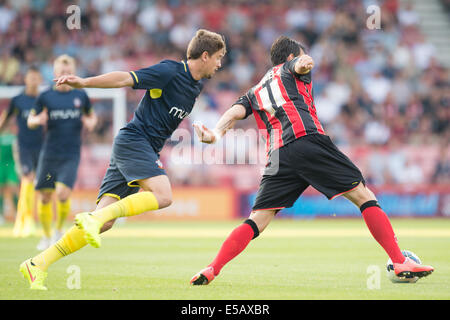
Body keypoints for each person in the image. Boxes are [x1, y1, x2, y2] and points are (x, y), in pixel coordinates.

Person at [190, 36, 434, 285]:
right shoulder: (289, 68)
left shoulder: (255, 91)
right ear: (290, 57)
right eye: (299, 55)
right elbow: (298, 65)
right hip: (307, 140)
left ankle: (212, 268)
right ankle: (398, 259)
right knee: (364, 196)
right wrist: (304, 62)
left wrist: (215, 133)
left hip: (278, 156)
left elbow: (234, 112)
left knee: (257, 220)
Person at [20, 29, 226, 290]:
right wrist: (84, 83)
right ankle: (92, 220)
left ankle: (37, 264)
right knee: (164, 195)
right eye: (218, 57)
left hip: (141, 148)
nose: (220, 64)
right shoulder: (170, 72)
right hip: (134, 142)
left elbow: (167, 112)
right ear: (205, 55)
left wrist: (203, 132)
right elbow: (125, 79)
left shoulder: (196, 85)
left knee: (104, 222)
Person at [27, 55, 98, 250]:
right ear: (55, 73)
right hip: (49, 153)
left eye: (68, 72)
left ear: (72, 72)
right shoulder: (45, 96)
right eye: (61, 72)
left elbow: (92, 116)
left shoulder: (81, 95)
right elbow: (30, 120)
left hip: (71, 154)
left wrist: (90, 123)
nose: (64, 75)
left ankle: (58, 230)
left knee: (63, 194)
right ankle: (46, 235)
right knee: (44, 197)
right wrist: (36, 121)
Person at [0, 65, 44, 237]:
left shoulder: (43, 99)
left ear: (40, 80)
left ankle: (26, 219)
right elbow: (6, 118)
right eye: (30, 78)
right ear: (26, 79)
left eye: (36, 78)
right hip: (23, 147)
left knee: (41, 184)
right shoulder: (18, 100)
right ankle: (26, 221)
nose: (33, 81)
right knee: (27, 178)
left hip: (42, 147)